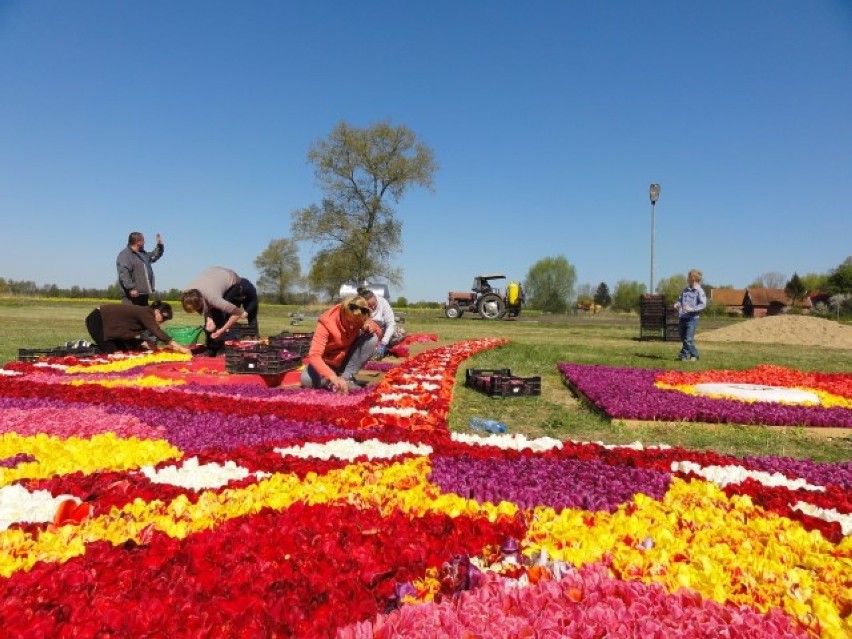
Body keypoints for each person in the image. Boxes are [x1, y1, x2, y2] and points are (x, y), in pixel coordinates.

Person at [300, 295, 383, 394]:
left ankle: (346, 378)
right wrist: (332, 377)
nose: (352, 326)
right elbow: (314, 355)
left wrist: (371, 326)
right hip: (327, 362)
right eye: (348, 321)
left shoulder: (358, 314)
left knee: (372, 338)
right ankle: (334, 382)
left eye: (355, 322)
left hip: (345, 360)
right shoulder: (326, 322)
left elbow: (379, 334)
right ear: (342, 311)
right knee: (306, 379)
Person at [180, 267, 258, 355]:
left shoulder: (214, 299)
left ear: (201, 301)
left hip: (231, 280)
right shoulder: (187, 293)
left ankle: (223, 347)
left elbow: (238, 313)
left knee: (220, 314)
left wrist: (222, 329)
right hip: (213, 277)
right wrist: (209, 319)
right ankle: (211, 347)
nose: (197, 312)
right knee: (211, 321)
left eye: (196, 309)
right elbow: (204, 307)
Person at [85, 301, 192, 355]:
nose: (162, 321)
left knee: (123, 350)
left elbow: (124, 335)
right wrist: (179, 347)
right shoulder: (145, 312)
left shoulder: (145, 315)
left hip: (106, 326)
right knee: (115, 355)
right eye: (163, 318)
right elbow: (156, 331)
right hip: (97, 321)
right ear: (157, 312)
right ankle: (79, 349)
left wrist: (141, 343)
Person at [357, 287, 406, 359]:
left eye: (374, 304)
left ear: (376, 299)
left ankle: (386, 346)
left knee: (401, 333)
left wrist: (383, 343)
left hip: (383, 329)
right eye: (370, 306)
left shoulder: (383, 302)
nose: (373, 307)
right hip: (370, 332)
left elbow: (391, 323)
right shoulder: (360, 307)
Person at [116, 232, 164, 306]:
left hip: (143, 295)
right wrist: (131, 288)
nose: (145, 242)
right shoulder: (125, 255)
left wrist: (159, 245)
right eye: (143, 240)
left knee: (143, 317)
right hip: (131, 297)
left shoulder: (143, 255)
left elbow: (155, 255)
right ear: (138, 242)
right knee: (131, 317)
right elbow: (124, 273)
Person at [674, 269, 707, 361]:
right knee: (683, 338)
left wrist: (692, 309)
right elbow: (680, 301)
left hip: (692, 319)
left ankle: (684, 355)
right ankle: (694, 354)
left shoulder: (699, 291)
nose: (687, 278)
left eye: (688, 277)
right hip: (682, 317)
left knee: (688, 339)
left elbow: (703, 304)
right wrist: (677, 304)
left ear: (693, 278)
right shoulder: (685, 290)